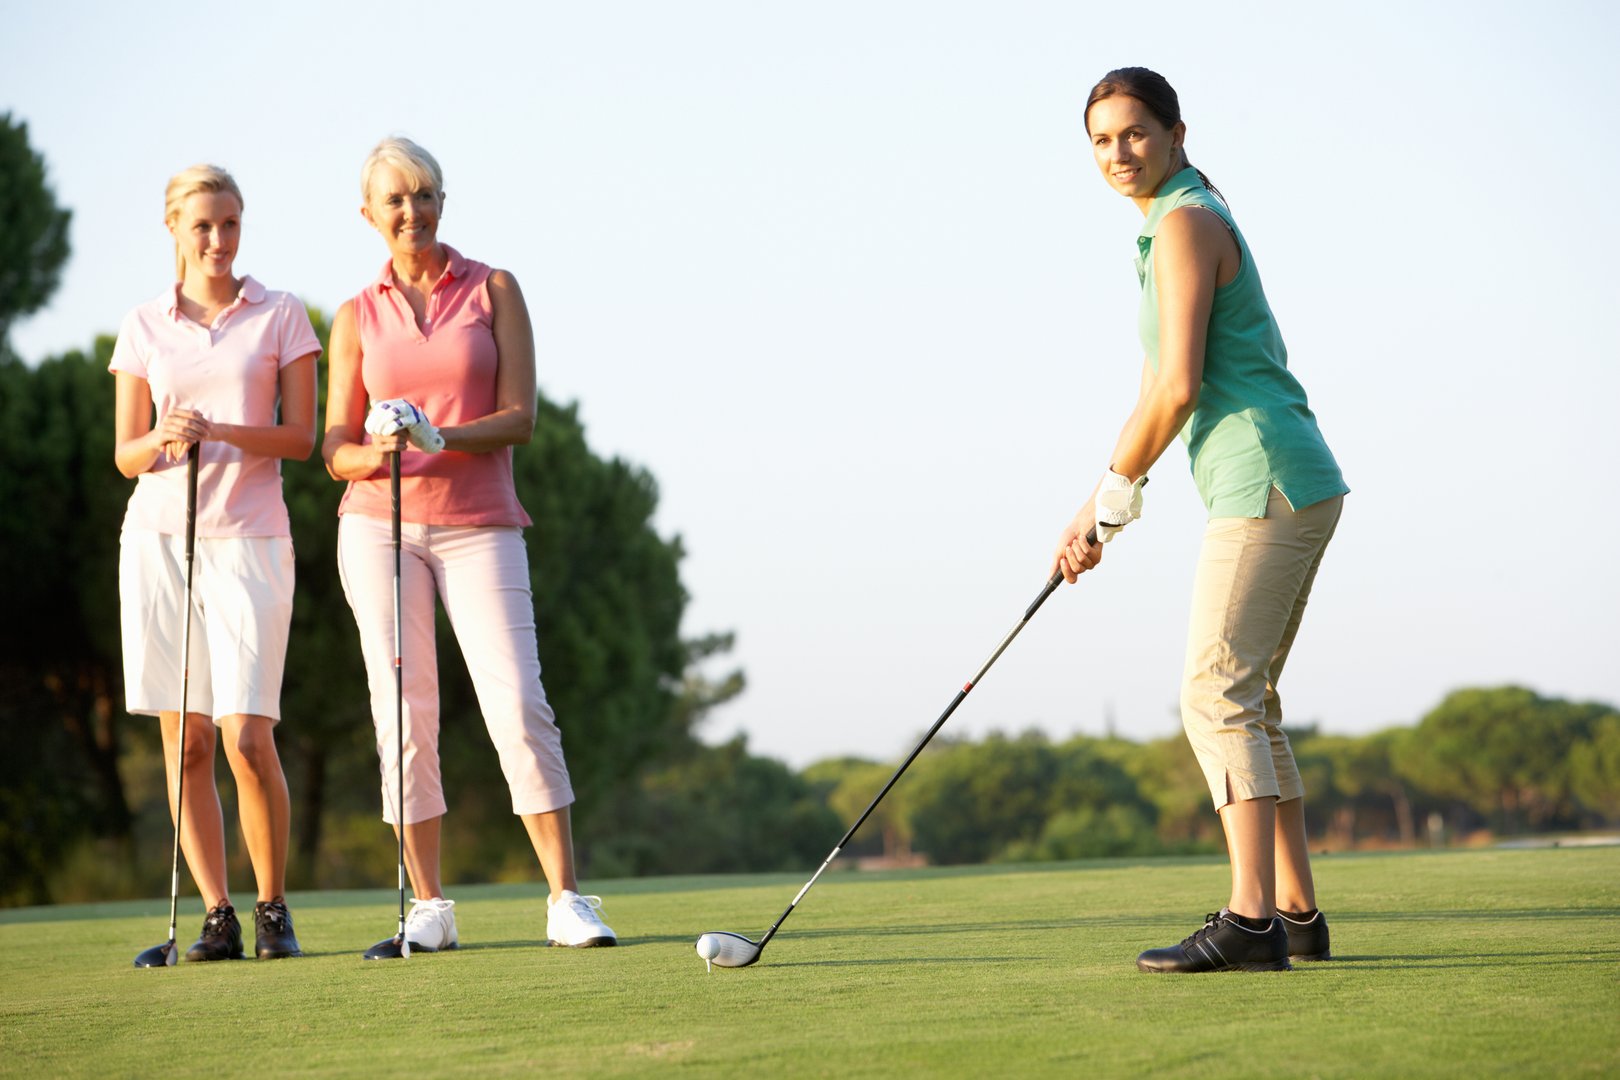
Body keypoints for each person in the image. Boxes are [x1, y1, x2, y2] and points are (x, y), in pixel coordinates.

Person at [1051, 68, 1348, 973]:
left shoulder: (1183, 222)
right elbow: (1156, 387)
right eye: (1101, 140)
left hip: (1264, 477)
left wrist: (1113, 499)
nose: (1117, 153)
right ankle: (1294, 911)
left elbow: (1179, 387)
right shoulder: (1171, 224)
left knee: (1215, 693)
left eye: (1134, 133)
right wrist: (1098, 509)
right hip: (1284, 475)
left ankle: (1250, 921)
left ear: (1177, 133)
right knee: (1250, 701)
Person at [322, 137, 616, 954]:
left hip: (480, 523)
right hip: (376, 527)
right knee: (404, 715)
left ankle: (566, 898)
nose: (410, 211)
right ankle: (429, 906)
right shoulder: (355, 315)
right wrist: (378, 443)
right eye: (394, 200)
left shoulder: (493, 289)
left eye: (424, 195)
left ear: (442, 203)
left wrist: (437, 431)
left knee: (518, 702)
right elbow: (333, 449)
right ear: (369, 215)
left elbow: (521, 416)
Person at [111, 164, 318, 961]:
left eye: (230, 224)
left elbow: (299, 438)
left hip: (252, 539)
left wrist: (226, 432)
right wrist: (164, 438)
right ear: (173, 229)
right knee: (187, 739)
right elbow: (126, 455)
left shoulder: (283, 315)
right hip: (160, 540)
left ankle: (273, 909)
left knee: (246, 736)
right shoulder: (142, 324)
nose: (219, 240)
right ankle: (217, 915)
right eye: (203, 226)